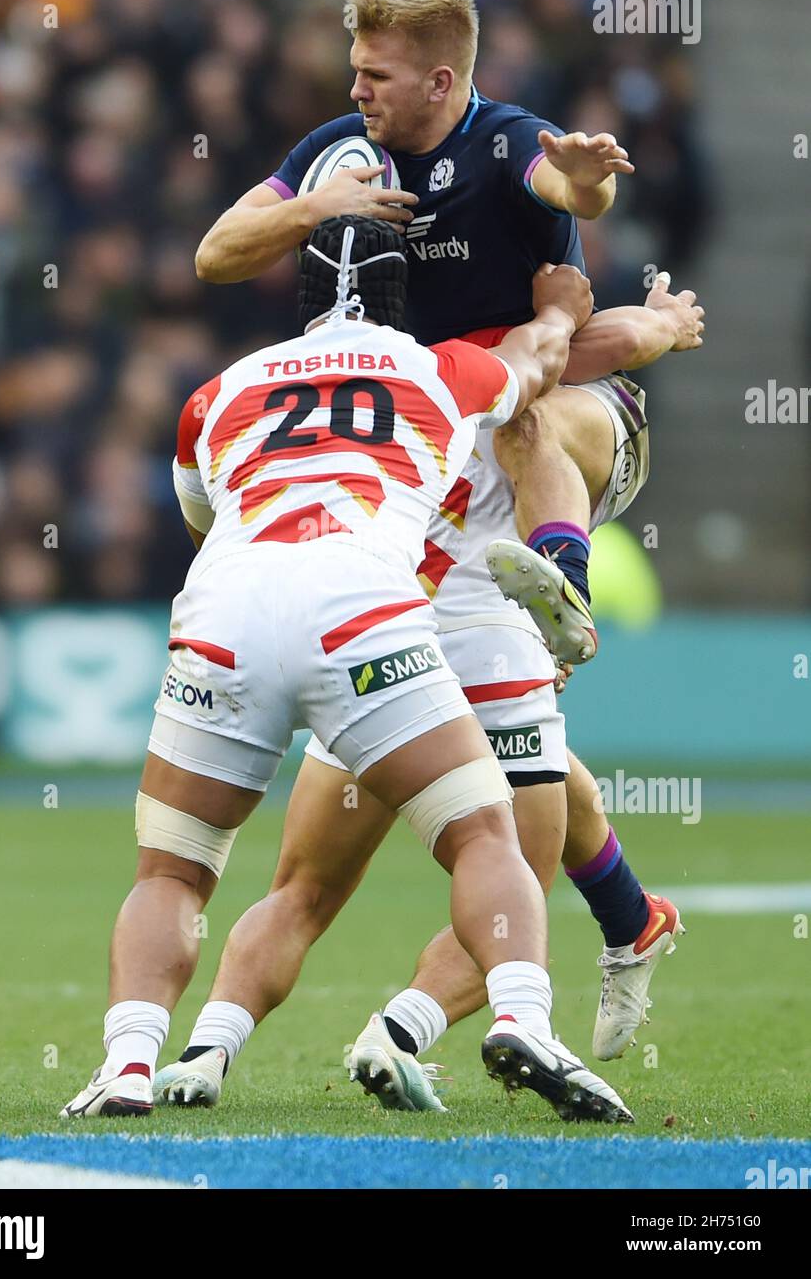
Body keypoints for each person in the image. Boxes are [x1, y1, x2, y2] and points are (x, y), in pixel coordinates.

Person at [158, 0, 700, 1099]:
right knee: (501, 770)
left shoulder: (505, 148)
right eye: (352, 68)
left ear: (442, 81)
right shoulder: (335, 158)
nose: (355, 90)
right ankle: (628, 914)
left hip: (550, 422)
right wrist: (321, 207)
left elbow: (561, 244)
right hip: (432, 469)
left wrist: (590, 195)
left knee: (527, 411)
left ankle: (560, 580)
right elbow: (218, 250)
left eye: (376, 75)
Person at [61, 217, 632, 1125]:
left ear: (296, 292)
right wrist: (561, 307)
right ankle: (526, 1019)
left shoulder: (219, 390)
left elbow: (201, 520)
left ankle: (127, 1064)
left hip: (227, 614)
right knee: (484, 835)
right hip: (363, 615)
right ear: (407, 297)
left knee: (171, 872)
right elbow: (539, 361)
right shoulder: (438, 370)